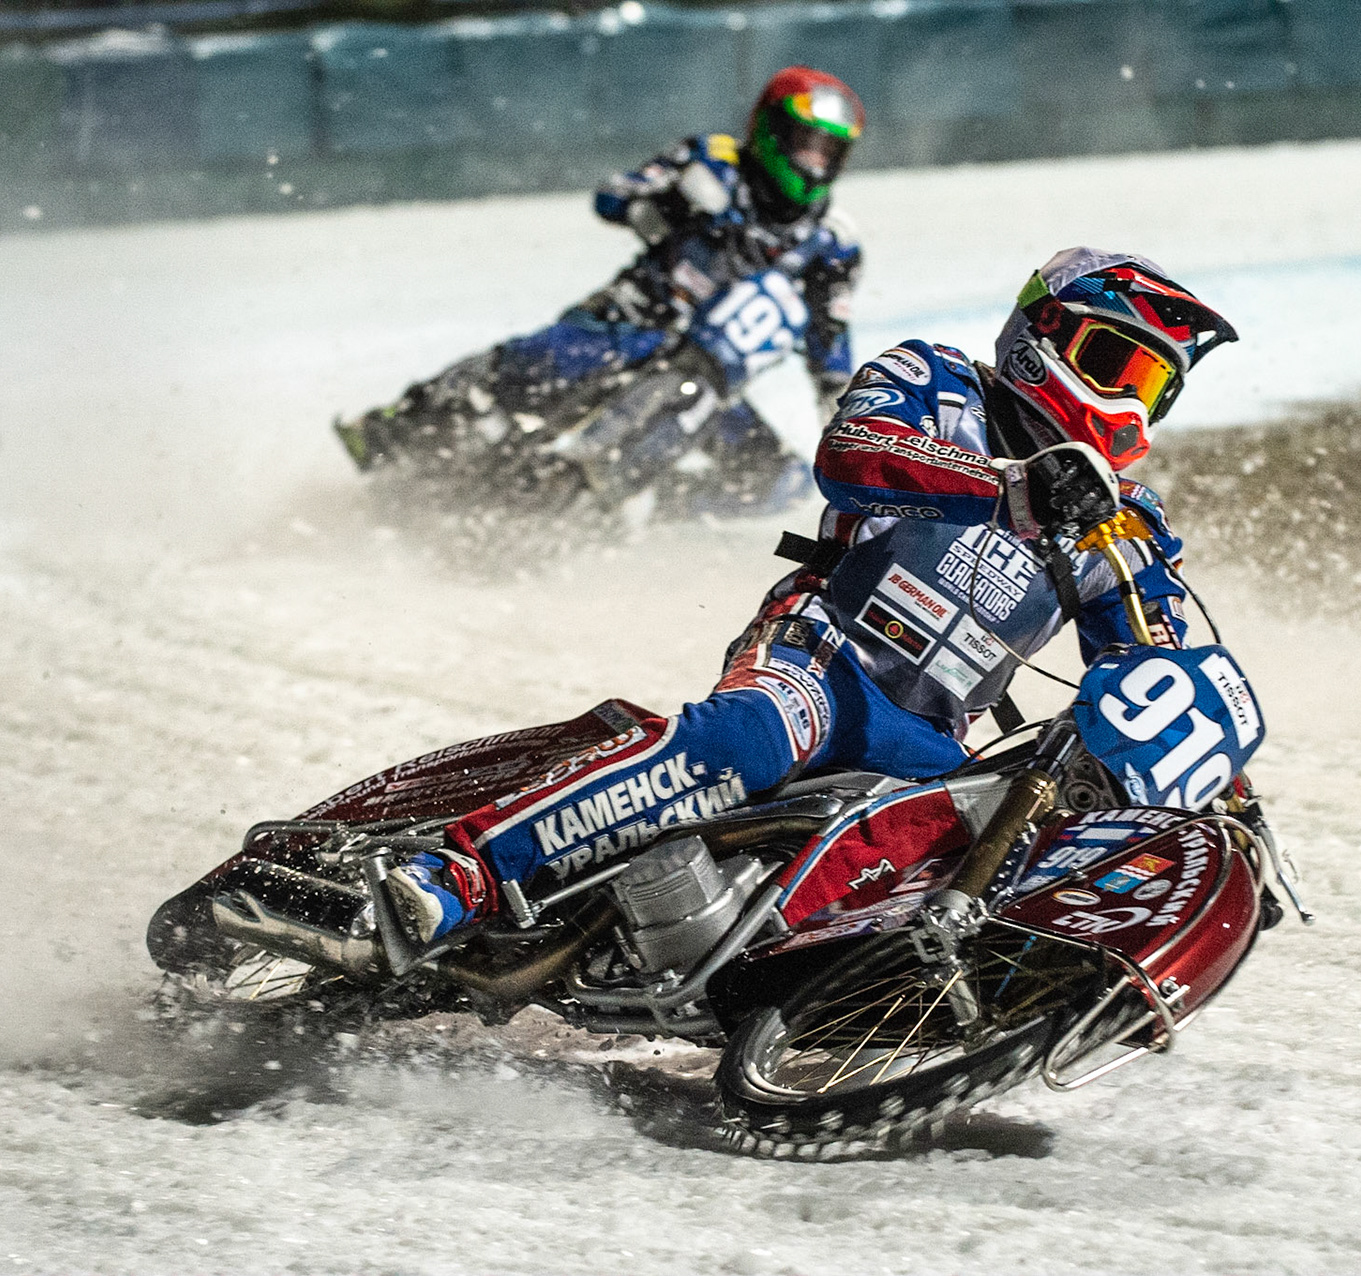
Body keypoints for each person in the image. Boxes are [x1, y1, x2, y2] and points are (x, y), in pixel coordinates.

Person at [385, 247, 1239, 946]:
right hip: (820, 653)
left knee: (999, 845)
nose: (1127, 398)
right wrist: (1011, 487)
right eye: (1113, 362)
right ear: (1040, 334)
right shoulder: (938, 383)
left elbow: (1154, 662)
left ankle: (801, 993)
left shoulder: (1125, 524)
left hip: (928, 735)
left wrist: (1217, 781)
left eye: (1153, 385)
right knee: (748, 739)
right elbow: (853, 458)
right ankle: (462, 871)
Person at [336, 66, 866, 504]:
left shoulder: (832, 246)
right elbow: (613, 197)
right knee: (524, 371)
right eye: (806, 145)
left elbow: (831, 350)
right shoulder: (713, 160)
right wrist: (669, 203)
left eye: (830, 152)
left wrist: (844, 419)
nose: (816, 163)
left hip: (706, 380)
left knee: (778, 484)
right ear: (769, 131)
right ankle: (397, 428)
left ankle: (633, 515)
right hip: (628, 321)